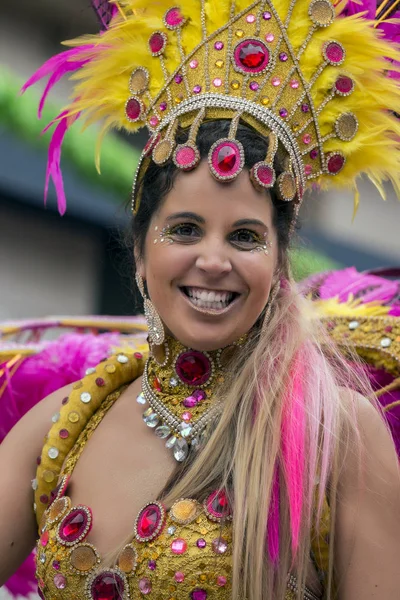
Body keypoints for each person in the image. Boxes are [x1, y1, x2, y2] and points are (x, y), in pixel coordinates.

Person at [1, 0, 400, 599]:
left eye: (245, 237)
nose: (214, 261)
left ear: (278, 263)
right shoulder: (64, 426)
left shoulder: (336, 435)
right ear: (141, 253)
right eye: (185, 229)